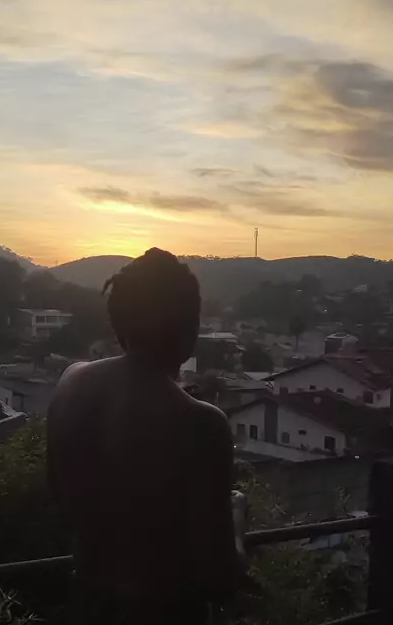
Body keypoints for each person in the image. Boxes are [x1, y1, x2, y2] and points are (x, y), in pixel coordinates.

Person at [47, 248, 243, 625]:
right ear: (191, 331)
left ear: (118, 323)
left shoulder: (70, 382)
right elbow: (219, 580)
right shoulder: (201, 423)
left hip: (85, 604)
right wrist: (236, 515)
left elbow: (57, 491)